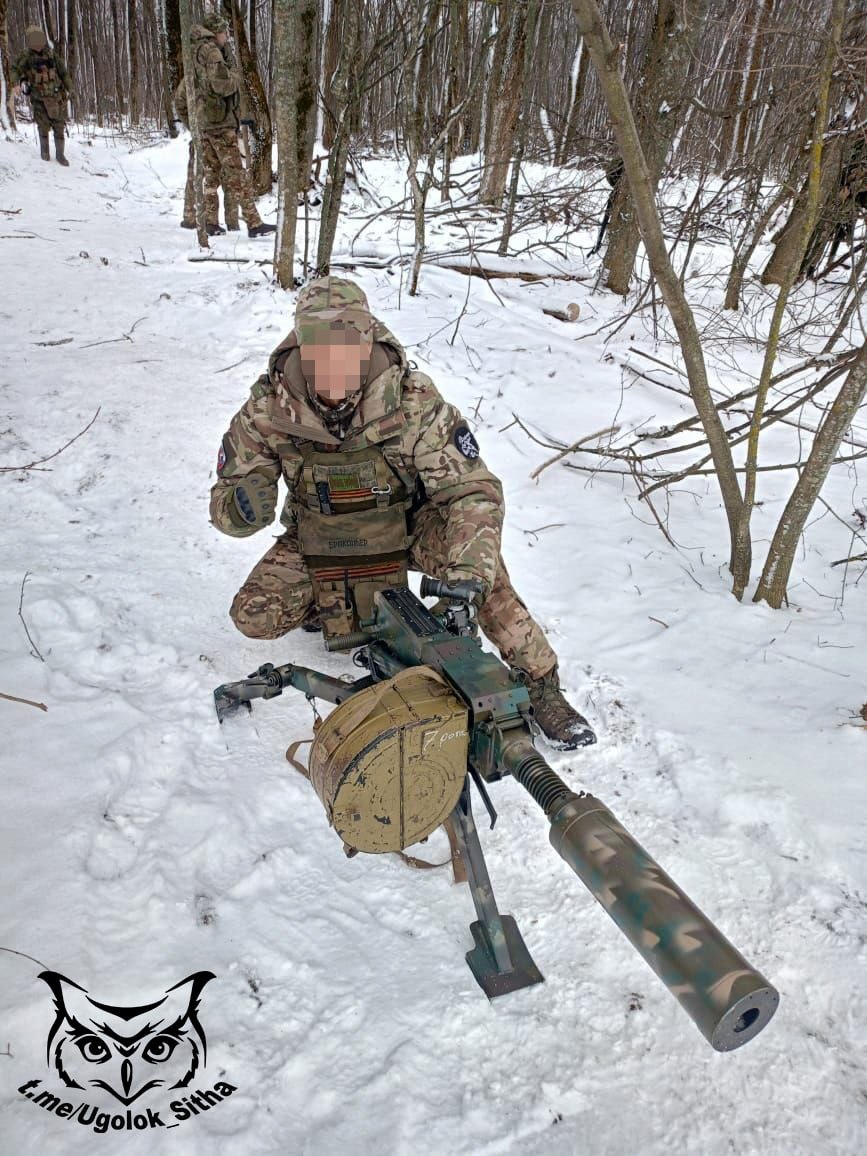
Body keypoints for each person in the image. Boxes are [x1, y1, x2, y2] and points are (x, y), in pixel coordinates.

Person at [209, 276, 596, 750]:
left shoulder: (412, 401)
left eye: (346, 349)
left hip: (407, 527)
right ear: (301, 348)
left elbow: (471, 490)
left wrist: (468, 572)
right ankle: (326, 605)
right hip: (319, 533)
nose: (333, 364)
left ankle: (541, 683)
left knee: (482, 570)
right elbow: (225, 499)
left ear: (367, 342)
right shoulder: (270, 407)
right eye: (320, 350)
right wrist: (241, 510)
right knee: (254, 616)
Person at [189, 13, 274, 238]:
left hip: (206, 121)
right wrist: (236, 75)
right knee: (236, 173)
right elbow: (222, 85)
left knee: (211, 175)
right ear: (215, 32)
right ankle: (254, 223)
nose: (226, 36)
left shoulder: (197, 50)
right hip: (219, 122)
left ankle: (210, 222)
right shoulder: (212, 51)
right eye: (224, 32)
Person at [174, 74, 239, 232]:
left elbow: (180, 102)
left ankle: (192, 217)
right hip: (220, 134)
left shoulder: (192, 75)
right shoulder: (224, 75)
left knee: (198, 175)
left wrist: (193, 125)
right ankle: (228, 222)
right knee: (223, 176)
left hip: (204, 133)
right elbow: (236, 103)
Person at [11, 26, 72, 166]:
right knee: (43, 127)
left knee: (59, 127)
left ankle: (60, 155)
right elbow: (15, 69)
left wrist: (70, 88)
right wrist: (15, 84)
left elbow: (63, 73)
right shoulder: (26, 56)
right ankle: (45, 154)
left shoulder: (52, 55)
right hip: (39, 98)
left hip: (56, 97)